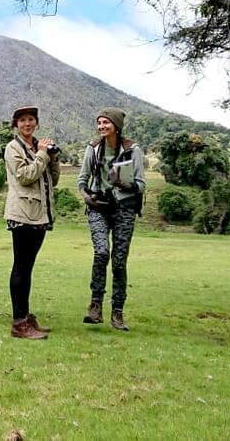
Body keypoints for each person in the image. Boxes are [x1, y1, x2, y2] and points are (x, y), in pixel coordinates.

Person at [76, 107, 145, 331]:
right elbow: (82, 179)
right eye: (99, 123)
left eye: (106, 123)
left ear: (116, 125)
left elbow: (141, 184)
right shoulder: (93, 148)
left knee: (119, 260)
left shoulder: (132, 149)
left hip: (124, 209)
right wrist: (88, 198)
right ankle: (95, 305)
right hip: (99, 207)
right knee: (102, 252)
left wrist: (125, 184)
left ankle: (117, 311)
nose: (102, 127)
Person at [3, 105, 60, 340]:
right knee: (21, 266)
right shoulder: (13, 148)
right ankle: (19, 322)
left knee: (28, 268)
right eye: (23, 120)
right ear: (16, 124)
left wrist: (52, 158)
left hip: (39, 214)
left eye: (31, 120)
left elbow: (52, 180)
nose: (28, 124)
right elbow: (25, 176)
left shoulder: (37, 147)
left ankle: (26, 317)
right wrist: (42, 154)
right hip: (22, 214)